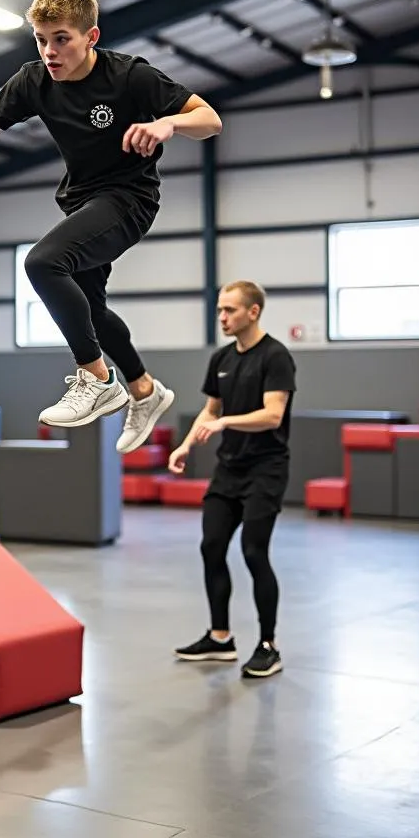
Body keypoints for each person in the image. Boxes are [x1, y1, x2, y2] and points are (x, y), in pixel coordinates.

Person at [0, 0, 222, 453]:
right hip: (81, 201)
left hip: (129, 199)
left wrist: (167, 122)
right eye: (41, 40)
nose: (50, 51)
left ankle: (96, 378)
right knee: (90, 308)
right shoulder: (33, 80)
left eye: (61, 39)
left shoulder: (129, 76)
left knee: (42, 262)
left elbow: (210, 119)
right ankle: (145, 391)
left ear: (91, 37)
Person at [167, 281, 296, 679]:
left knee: (254, 552)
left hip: (265, 468)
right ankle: (220, 637)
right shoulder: (221, 358)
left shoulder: (276, 357)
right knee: (211, 546)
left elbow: (273, 415)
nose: (222, 317)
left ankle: (268, 646)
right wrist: (185, 445)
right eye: (220, 310)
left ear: (253, 312)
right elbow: (210, 410)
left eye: (230, 311)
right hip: (229, 469)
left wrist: (225, 422)